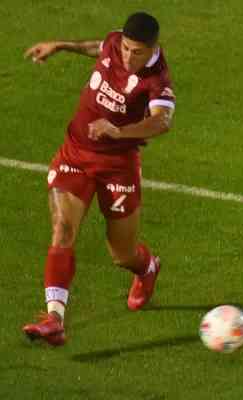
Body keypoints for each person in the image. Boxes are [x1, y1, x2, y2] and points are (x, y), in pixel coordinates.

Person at [22, 12, 176, 346]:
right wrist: (60, 45)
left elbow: (161, 122)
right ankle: (54, 319)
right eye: (124, 48)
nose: (127, 56)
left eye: (136, 52)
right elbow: (99, 47)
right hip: (75, 154)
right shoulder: (114, 42)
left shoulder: (157, 79)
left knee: (122, 254)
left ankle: (147, 268)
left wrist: (117, 131)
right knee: (62, 228)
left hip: (118, 166)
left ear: (152, 49)